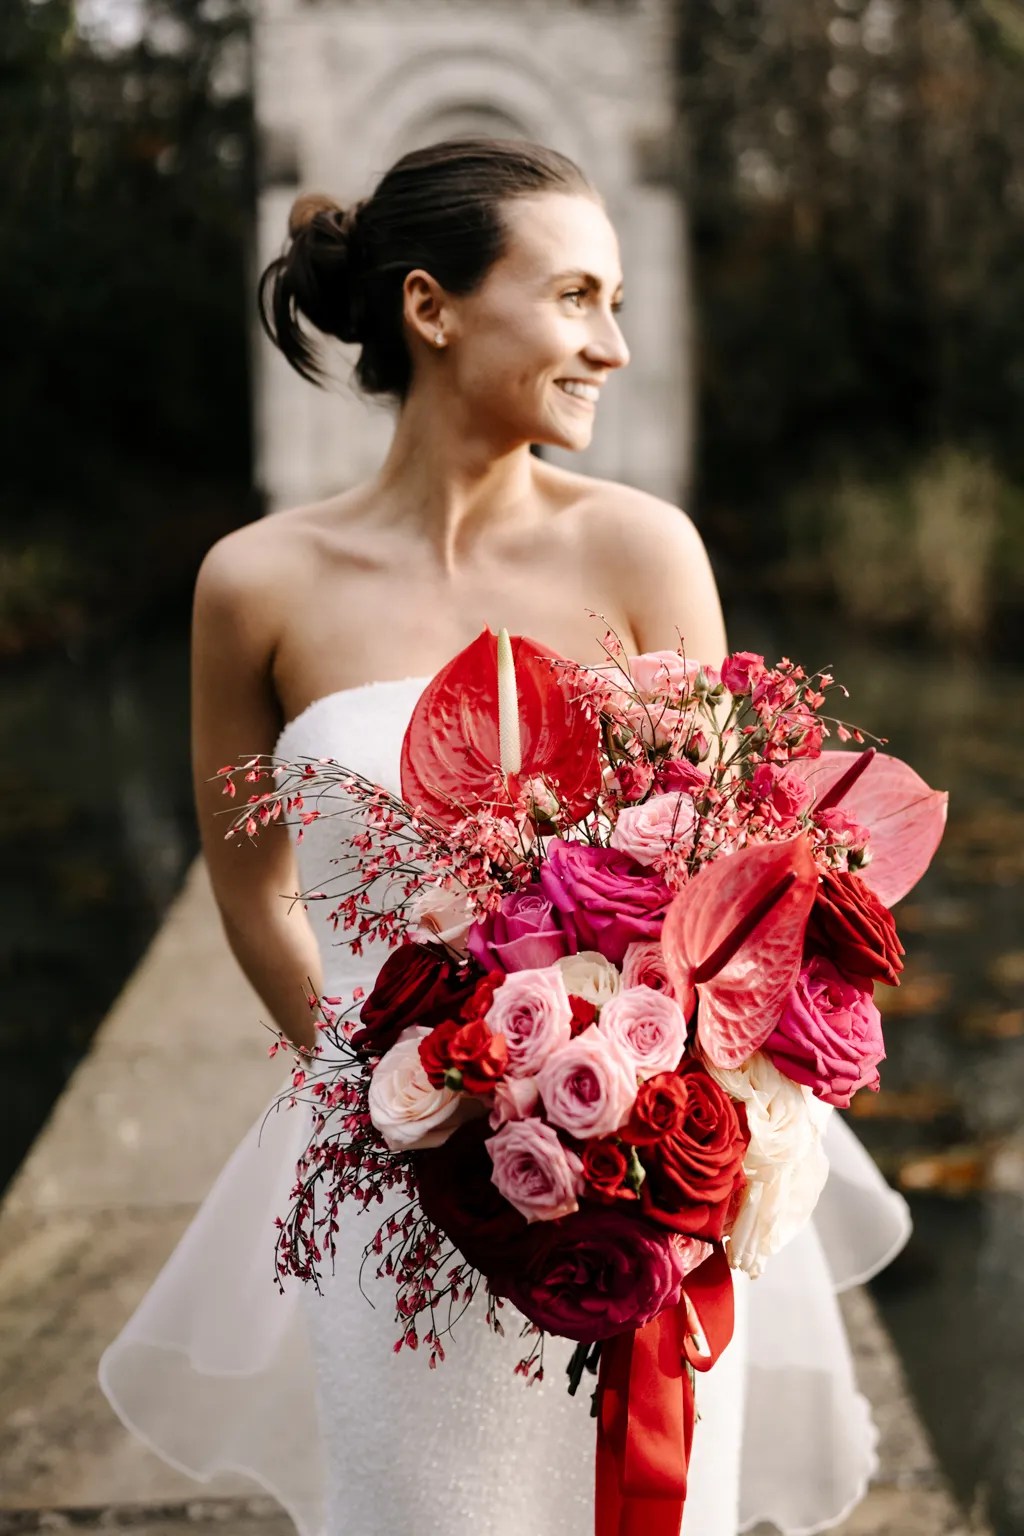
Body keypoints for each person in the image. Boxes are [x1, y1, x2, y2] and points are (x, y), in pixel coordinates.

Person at [99, 138, 912, 1536]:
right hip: (401, 1193)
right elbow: (254, 897)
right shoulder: (255, 585)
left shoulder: (648, 554)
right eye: (579, 297)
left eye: (616, 302)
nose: (615, 343)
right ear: (433, 309)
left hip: (642, 1181)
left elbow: (731, 894)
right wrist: (409, 1108)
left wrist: (633, 1121)